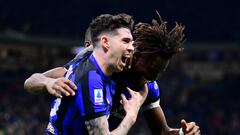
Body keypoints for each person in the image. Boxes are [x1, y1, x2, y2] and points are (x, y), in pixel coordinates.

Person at [25, 15, 200, 135]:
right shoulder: (93, 63)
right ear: (135, 55)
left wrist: (182, 132)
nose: (149, 81)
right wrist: (48, 82)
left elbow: (162, 131)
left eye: (156, 75)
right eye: (146, 74)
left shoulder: (147, 89)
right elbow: (31, 81)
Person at [39, 13, 148, 135]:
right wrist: (131, 116)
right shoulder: (91, 81)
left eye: (131, 43)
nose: (131, 48)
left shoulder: (85, 56)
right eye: (126, 41)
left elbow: (31, 81)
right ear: (106, 42)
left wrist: (47, 81)